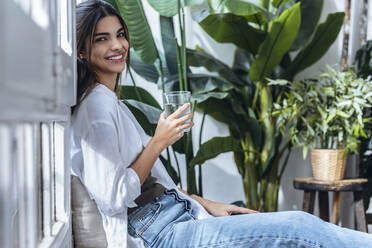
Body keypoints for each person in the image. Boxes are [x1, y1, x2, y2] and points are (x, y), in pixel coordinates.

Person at [70, 1, 372, 247]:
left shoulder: (109, 101)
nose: (118, 45)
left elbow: (154, 184)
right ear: (82, 50)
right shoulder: (97, 107)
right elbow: (112, 197)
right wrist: (158, 142)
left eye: (120, 34)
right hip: (160, 232)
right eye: (102, 38)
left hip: (174, 215)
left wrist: (207, 203)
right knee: (300, 228)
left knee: (299, 227)